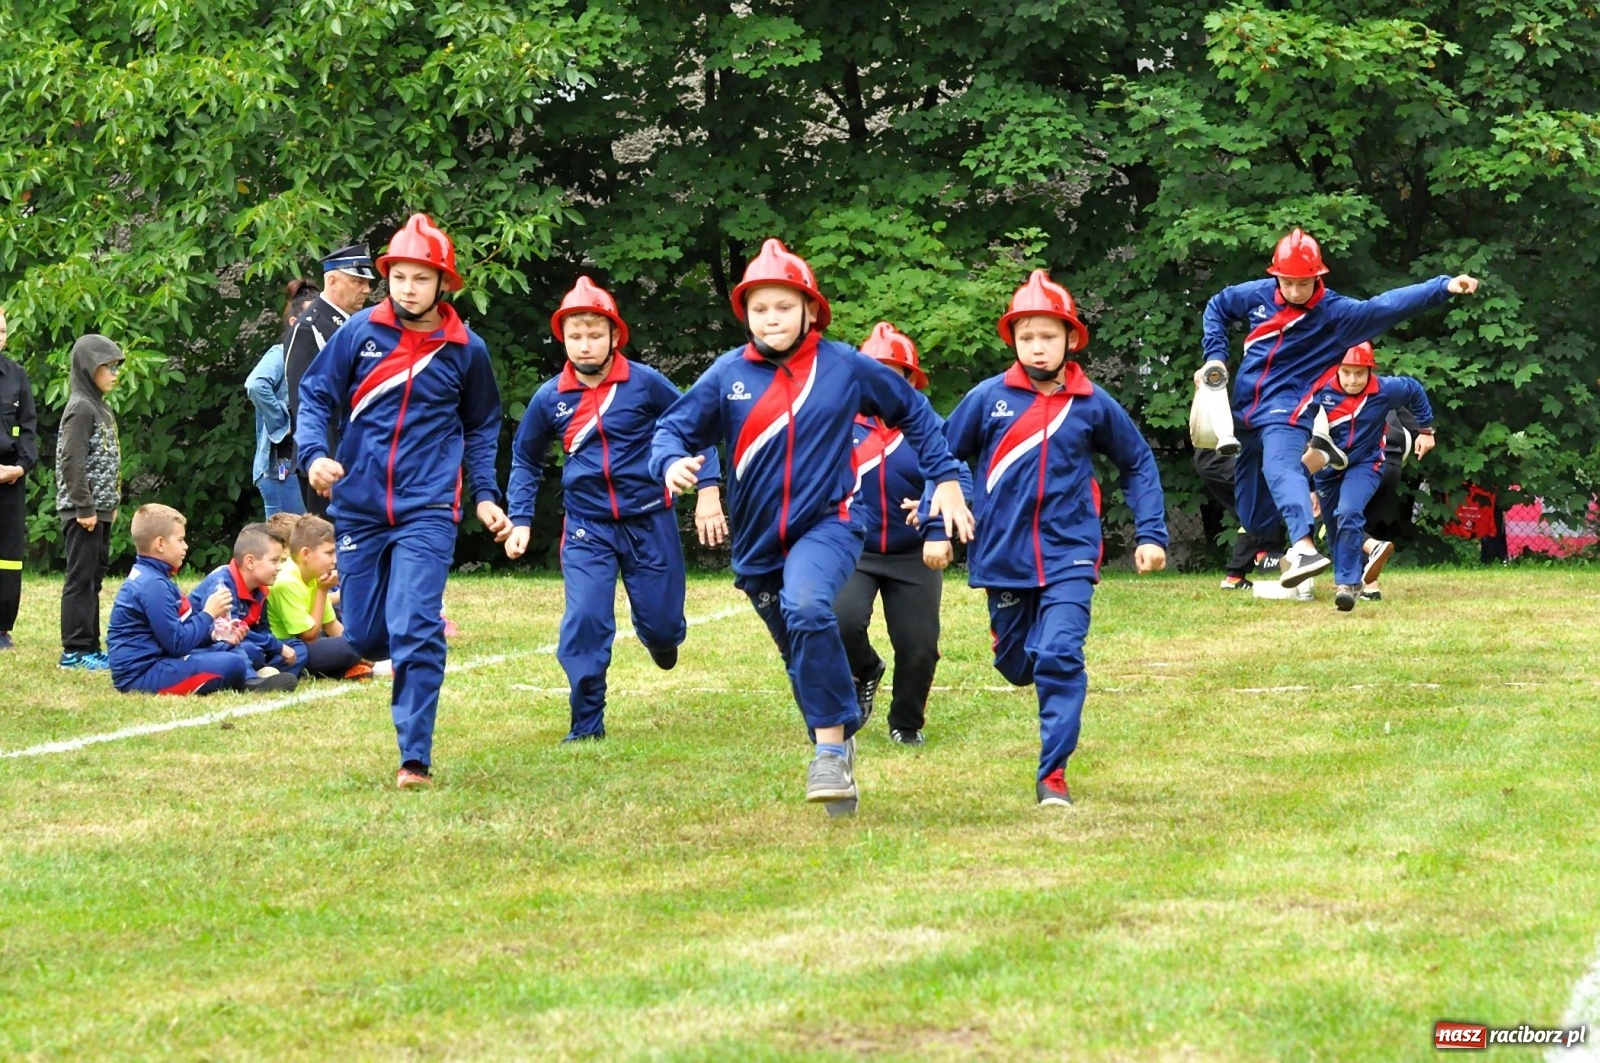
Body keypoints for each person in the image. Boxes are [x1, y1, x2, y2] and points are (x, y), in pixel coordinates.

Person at [651, 238, 973, 816]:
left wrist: (945, 476)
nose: (770, 318)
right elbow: (672, 430)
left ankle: (828, 753)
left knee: (807, 608)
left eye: (782, 306)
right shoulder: (728, 374)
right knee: (800, 652)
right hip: (755, 545)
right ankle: (841, 737)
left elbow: (915, 413)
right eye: (759, 308)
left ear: (809, 311)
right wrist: (671, 462)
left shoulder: (846, 367)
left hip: (831, 522)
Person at [296, 214, 511, 789]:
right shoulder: (359, 332)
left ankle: (414, 757)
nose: (408, 288)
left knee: (415, 625)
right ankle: (403, 641)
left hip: (428, 507)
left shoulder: (467, 351)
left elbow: (484, 425)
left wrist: (486, 493)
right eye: (399, 277)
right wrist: (314, 455)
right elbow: (315, 394)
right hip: (360, 507)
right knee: (365, 636)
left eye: (421, 278)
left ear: (443, 283)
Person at [942, 270, 1167, 807]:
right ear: (1013, 341)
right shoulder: (987, 398)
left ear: (1070, 339)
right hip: (1003, 556)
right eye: (1026, 338)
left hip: (1071, 553)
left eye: (1048, 336)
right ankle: (1011, 649)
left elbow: (1136, 462)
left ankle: (1053, 777)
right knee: (1019, 665)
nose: (1037, 348)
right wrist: (938, 503)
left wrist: (1151, 532)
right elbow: (941, 454)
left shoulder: (1092, 403)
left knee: (1060, 655)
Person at [505, 276, 727, 742]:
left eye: (594, 335)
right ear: (563, 338)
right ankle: (587, 725)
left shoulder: (645, 384)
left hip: (650, 518)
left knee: (664, 628)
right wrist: (520, 517)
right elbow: (526, 457)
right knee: (585, 621)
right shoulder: (551, 397)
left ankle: (663, 641)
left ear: (614, 337)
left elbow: (698, 426)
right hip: (587, 526)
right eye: (574, 336)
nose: (584, 346)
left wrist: (708, 490)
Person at [1199, 228, 1477, 587]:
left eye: (1304, 283)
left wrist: (1442, 287)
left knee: (1282, 467)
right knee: (1247, 509)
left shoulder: (1337, 314)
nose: (1296, 291)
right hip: (1243, 411)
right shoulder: (1256, 295)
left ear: (1318, 277)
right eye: (1288, 283)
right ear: (1276, 276)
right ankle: (1271, 535)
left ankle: (1302, 545)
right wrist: (1214, 358)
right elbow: (1217, 306)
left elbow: (1388, 305)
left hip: (1289, 409)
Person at [834, 322, 960, 747]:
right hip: (854, 548)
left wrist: (935, 521)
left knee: (919, 646)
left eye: (896, 373)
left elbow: (958, 481)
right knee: (841, 620)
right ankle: (865, 669)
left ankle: (906, 724)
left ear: (911, 381)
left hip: (914, 554)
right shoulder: (835, 421)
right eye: (876, 371)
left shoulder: (927, 426)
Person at [1295, 341, 1436, 611]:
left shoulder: (1385, 390)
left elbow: (1415, 390)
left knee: (1348, 512)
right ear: (1336, 369)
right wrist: (1309, 483)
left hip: (1365, 465)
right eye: (1346, 372)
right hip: (1326, 469)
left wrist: (1426, 432)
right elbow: (1302, 430)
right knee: (1334, 527)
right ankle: (1364, 569)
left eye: (1360, 373)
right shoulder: (1318, 389)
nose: (1353, 380)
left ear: (1371, 371)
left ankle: (1346, 585)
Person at [107, 504, 271, 695]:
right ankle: (249, 682)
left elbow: (179, 633)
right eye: (181, 540)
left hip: (162, 657)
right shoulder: (152, 585)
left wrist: (215, 635)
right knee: (233, 663)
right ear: (160, 544)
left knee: (250, 651)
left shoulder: (155, 577)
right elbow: (177, 644)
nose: (186, 546)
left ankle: (247, 675)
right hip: (141, 674)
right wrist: (209, 613)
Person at [284, 243, 376, 516]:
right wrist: (321, 458)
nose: (367, 290)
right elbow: (305, 403)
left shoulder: (358, 326)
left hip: (361, 458)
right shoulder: (309, 329)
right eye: (358, 281)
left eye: (367, 282)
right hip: (328, 462)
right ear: (332, 280)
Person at [56, 334, 124, 671]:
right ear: (88, 368)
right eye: (107, 366)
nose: (114, 373)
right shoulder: (81, 408)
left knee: (94, 578)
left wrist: (110, 502)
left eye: (116, 367)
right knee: (80, 579)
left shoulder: (101, 406)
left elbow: (108, 459)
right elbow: (72, 461)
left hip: (99, 512)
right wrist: (84, 506)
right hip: (83, 512)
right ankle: (75, 650)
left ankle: (91, 646)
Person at [190, 523, 304, 684]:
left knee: (297, 647)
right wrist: (276, 647)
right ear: (250, 562)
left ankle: (272, 673)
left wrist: (277, 646)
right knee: (251, 650)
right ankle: (252, 680)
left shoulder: (261, 587)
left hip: (245, 643)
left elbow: (263, 629)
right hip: (207, 647)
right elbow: (228, 634)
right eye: (275, 561)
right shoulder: (222, 586)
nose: (280, 568)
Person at [246, 280, 321, 517]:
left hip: (306, 466)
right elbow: (256, 384)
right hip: (282, 467)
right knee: (286, 549)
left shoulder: (322, 357)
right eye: (311, 319)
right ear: (293, 323)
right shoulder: (281, 353)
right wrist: (281, 423)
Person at [264, 514, 367, 679]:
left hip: (307, 644)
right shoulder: (286, 581)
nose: (335, 560)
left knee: (357, 642)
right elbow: (309, 636)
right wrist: (322, 590)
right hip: (288, 650)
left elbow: (330, 624)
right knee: (349, 648)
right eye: (329, 553)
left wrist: (364, 650)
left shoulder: (312, 575)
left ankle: (350, 666)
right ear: (305, 554)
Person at [0, 305, 39, 651]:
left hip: (8, 479)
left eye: (1, 332)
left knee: (8, 554)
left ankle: (1, 629)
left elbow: (28, 429)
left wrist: (20, 467)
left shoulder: (16, 376)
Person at [1192, 446, 1283, 591]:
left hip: (1212, 460)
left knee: (1249, 515)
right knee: (1264, 492)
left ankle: (1235, 577)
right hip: (1220, 459)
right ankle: (1264, 553)